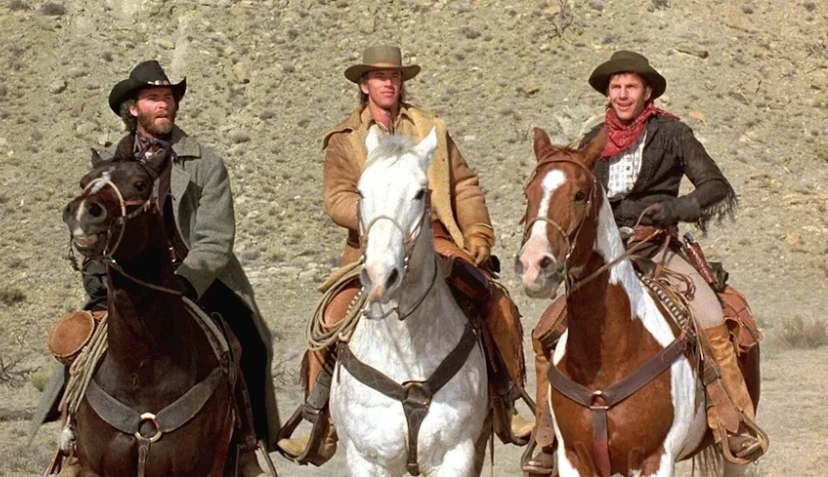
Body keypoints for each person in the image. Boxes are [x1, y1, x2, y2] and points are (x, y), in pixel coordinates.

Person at [276, 45, 532, 465]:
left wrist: (477, 230)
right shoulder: (344, 140)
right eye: (379, 77)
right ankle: (319, 420)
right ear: (364, 84)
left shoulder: (432, 129)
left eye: (394, 76)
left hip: (435, 238)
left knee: (495, 300)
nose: (388, 83)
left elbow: (463, 185)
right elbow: (336, 197)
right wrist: (378, 214)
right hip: (371, 243)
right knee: (329, 317)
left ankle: (506, 401)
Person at [522, 50, 767, 476]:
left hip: (658, 248)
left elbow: (715, 187)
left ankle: (733, 421)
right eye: (615, 87)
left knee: (714, 316)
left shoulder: (672, 133)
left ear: (647, 91)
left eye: (631, 86)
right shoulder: (594, 140)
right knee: (546, 330)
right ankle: (547, 435)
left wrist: (676, 208)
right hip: (604, 254)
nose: (622, 94)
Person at [37, 60, 279, 477]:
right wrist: (97, 281)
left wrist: (188, 279)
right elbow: (93, 232)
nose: (164, 104)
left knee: (251, 340)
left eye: (168, 97)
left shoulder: (204, 162)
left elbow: (216, 237)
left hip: (195, 279)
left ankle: (247, 445)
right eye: (153, 98)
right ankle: (74, 439)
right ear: (133, 109)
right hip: (126, 281)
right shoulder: (109, 168)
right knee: (75, 344)